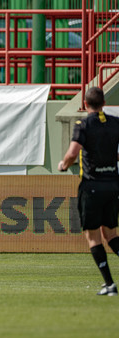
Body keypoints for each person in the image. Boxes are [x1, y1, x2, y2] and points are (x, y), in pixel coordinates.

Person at [58, 86, 119, 296]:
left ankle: (110, 284)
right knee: (111, 234)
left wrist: (64, 165)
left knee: (93, 237)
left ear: (85, 104)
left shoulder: (83, 124)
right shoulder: (114, 123)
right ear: (103, 103)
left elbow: (72, 153)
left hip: (92, 186)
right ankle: (109, 284)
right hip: (113, 184)